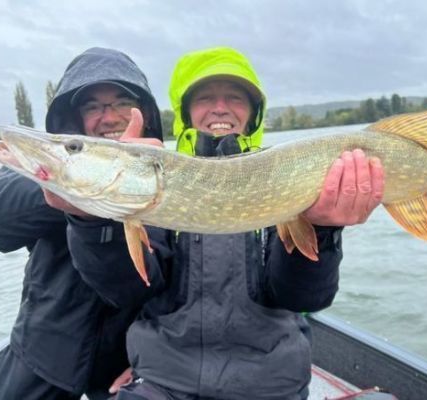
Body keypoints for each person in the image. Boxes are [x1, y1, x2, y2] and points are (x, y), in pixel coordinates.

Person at [66, 46, 385, 400]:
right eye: (205, 97)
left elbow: (302, 297)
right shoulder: (157, 182)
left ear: (253, 113)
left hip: (270, 384)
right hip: (163, 382)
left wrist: (322, 229)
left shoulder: (286, 177)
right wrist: (90, 220)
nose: (220, 107)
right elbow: (129, 291)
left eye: (235, 97)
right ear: (186, 112)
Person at [0, 47, 164, 399]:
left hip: (122, 368)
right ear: (74, 119)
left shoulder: (160, 183)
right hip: (41, 355)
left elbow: (140, 288)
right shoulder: (51, 166)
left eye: (122, 102)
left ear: (145, 112)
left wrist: (107, 206)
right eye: (92, 106)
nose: (108, 117)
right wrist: (70, 189)